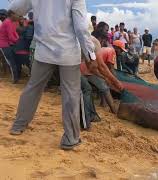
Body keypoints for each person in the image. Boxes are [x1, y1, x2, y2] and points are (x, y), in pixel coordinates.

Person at [9, 0, 97, 150]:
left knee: (33, 88)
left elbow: (14, 10)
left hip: (44, 50)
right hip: (67, 52)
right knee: (71, 94)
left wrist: (17, 17)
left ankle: (18, 126)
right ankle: (71, 138)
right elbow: (81, 27)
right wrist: (90, 54)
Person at [80, 37, 123, 115]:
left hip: (84, 67)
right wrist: (116, 81)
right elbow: (110, 68)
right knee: (105, 87)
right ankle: (113, 108)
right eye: (121, 50)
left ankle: (103, 103)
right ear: (116, 48)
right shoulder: (112, 51)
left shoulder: (105, 48)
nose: (121, 52)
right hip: (89, 69)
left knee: (102, 83)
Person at [0, 10, 20, 83]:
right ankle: (15, 79)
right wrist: (17, 40)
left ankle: (16, 78)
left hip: (8, 44)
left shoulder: (10, 22)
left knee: (12, 61)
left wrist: (17, 39)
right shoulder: (8, 22)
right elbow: (11, 36)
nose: (18, 16)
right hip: (4, 44)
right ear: (12, 14)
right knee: (11, 62)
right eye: (16, 14)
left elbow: (14, 33)